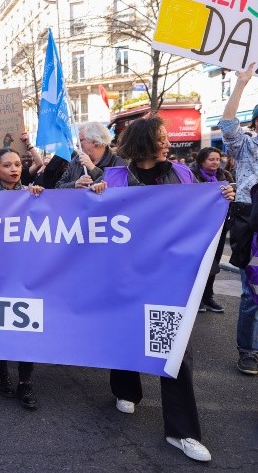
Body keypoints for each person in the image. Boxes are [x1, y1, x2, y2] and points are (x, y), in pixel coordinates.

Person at [95, 116, 235, 463]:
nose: (168, 142)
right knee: (125, 335)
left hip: (169, 278)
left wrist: (221, 199)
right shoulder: (113, 177)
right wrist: (89, 193)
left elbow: (197, 215)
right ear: (144, 142)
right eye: (162, 138)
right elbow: (87, 218)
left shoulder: (183, 174)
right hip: (124, 275)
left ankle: (182, 431)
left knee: (175, 350)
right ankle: (126, 390)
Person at [0, 148, 43, 409]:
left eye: (18, 164)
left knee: (26, 324)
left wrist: (37, 199)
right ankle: (1, 372)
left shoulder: (32, 194)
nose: (14, 169)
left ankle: (25, 382)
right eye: (7, 165)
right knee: (1, 323)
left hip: (26, 271)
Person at [217, 64, 258, 377]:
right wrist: (241, 83)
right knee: (253, 293)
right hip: (252, 223)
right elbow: (228, 124)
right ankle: (248, 350)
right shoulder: (247, 146)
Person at [190, 147, 234, 313]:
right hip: (197, 227)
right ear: (202, 161)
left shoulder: (225, 176)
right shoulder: (190, 175)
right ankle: (196, 299)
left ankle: (208, 297)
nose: (216, 162)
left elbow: (231, 198)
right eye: (211, 159)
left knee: (214, 263)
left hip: (220, 226)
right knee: (198, 263)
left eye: (218, 159)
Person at [56, 122, 126, 189]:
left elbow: (116, 188)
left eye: (81, 140)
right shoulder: (77, 160)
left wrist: (93, 169)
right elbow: (58, 186)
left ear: (95, 142)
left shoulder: (117, 162)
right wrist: (75, 184)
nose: (77, 144)